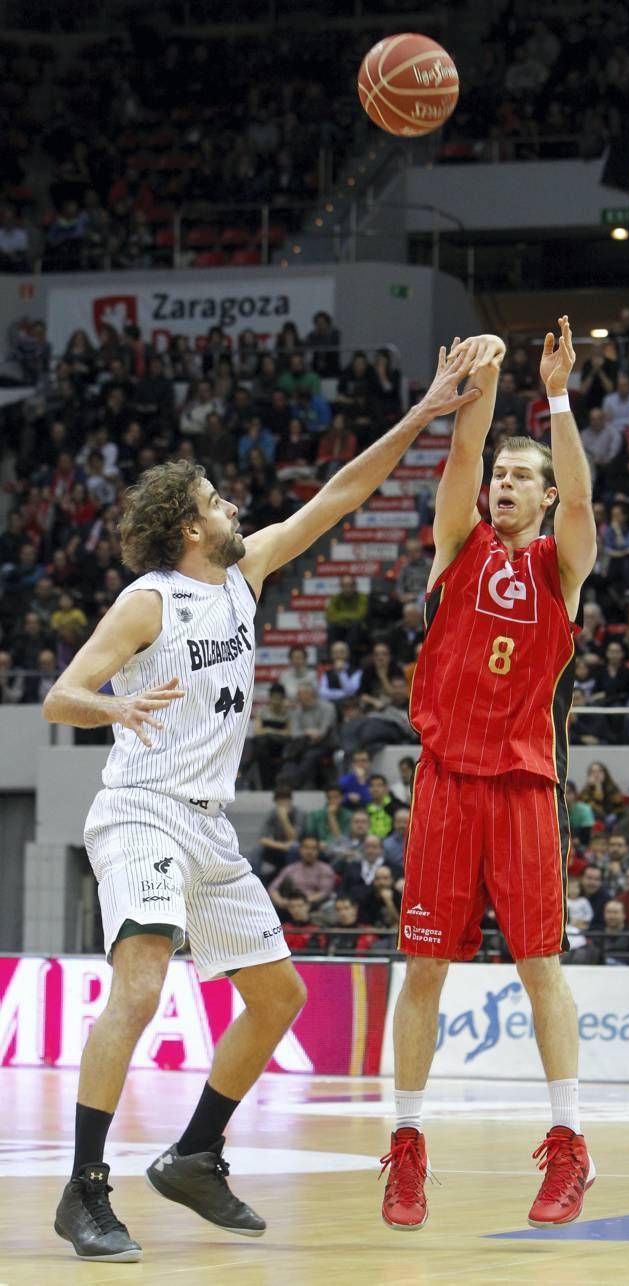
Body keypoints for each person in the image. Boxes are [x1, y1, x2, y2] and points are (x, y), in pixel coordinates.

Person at [41, 336, 482, 1261]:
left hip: (208, 825)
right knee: (143, 981)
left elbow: (342, 495)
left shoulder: (247, 576)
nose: (231, 504)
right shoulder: (148, 599)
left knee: (278, 996)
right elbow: (60, 696)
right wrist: (116, 703)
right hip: (141, 808)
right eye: (213, 501)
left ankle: (196, 1152)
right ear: (188, 528)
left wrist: (426, 411)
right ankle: (84, 1189)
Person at [381, 319, 598, 1232]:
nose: (504, 484)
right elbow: (465, 451)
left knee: (539, 965)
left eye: (522, 478)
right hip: (444, 782)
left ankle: (570, 1143)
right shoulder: (456, 548)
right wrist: (483, 378)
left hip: (521, 787)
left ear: (543, 499)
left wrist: (553, 397)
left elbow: (585, 504)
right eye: (500, 477)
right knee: (422, 966)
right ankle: (406, 1144)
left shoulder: (560, 567)